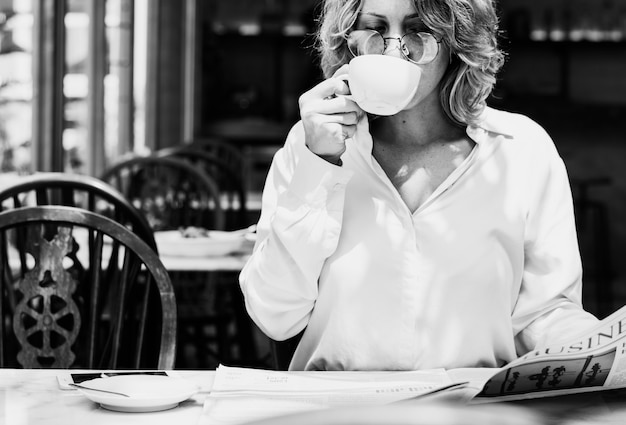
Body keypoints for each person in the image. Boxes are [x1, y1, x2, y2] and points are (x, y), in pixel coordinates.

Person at [239, 0, 599, 371]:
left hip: (472, 411)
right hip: (340, 410)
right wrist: (320, 165)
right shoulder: (310, 146)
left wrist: (600, 348)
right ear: (350, 43)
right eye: (375, 29)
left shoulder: (520, 150)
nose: (395, 49)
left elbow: (546, 313)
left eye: (418, 28)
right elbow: (273, 313)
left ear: (456, 40)